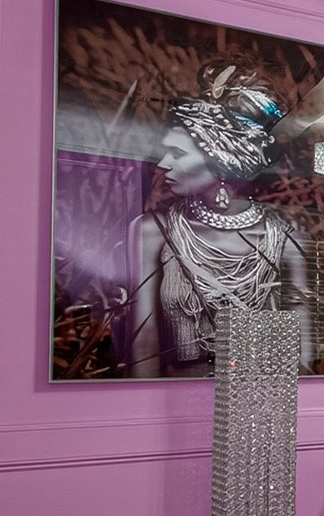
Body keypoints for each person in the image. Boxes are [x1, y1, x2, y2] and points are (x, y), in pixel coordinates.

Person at [125, 61, 312, 377]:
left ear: (222, 162)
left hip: (258, 407)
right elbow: (143, 343)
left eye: (178, 154)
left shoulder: (285, 239)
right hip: (173, 406)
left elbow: (301, 354)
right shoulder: (153, 232)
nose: (163, 164)